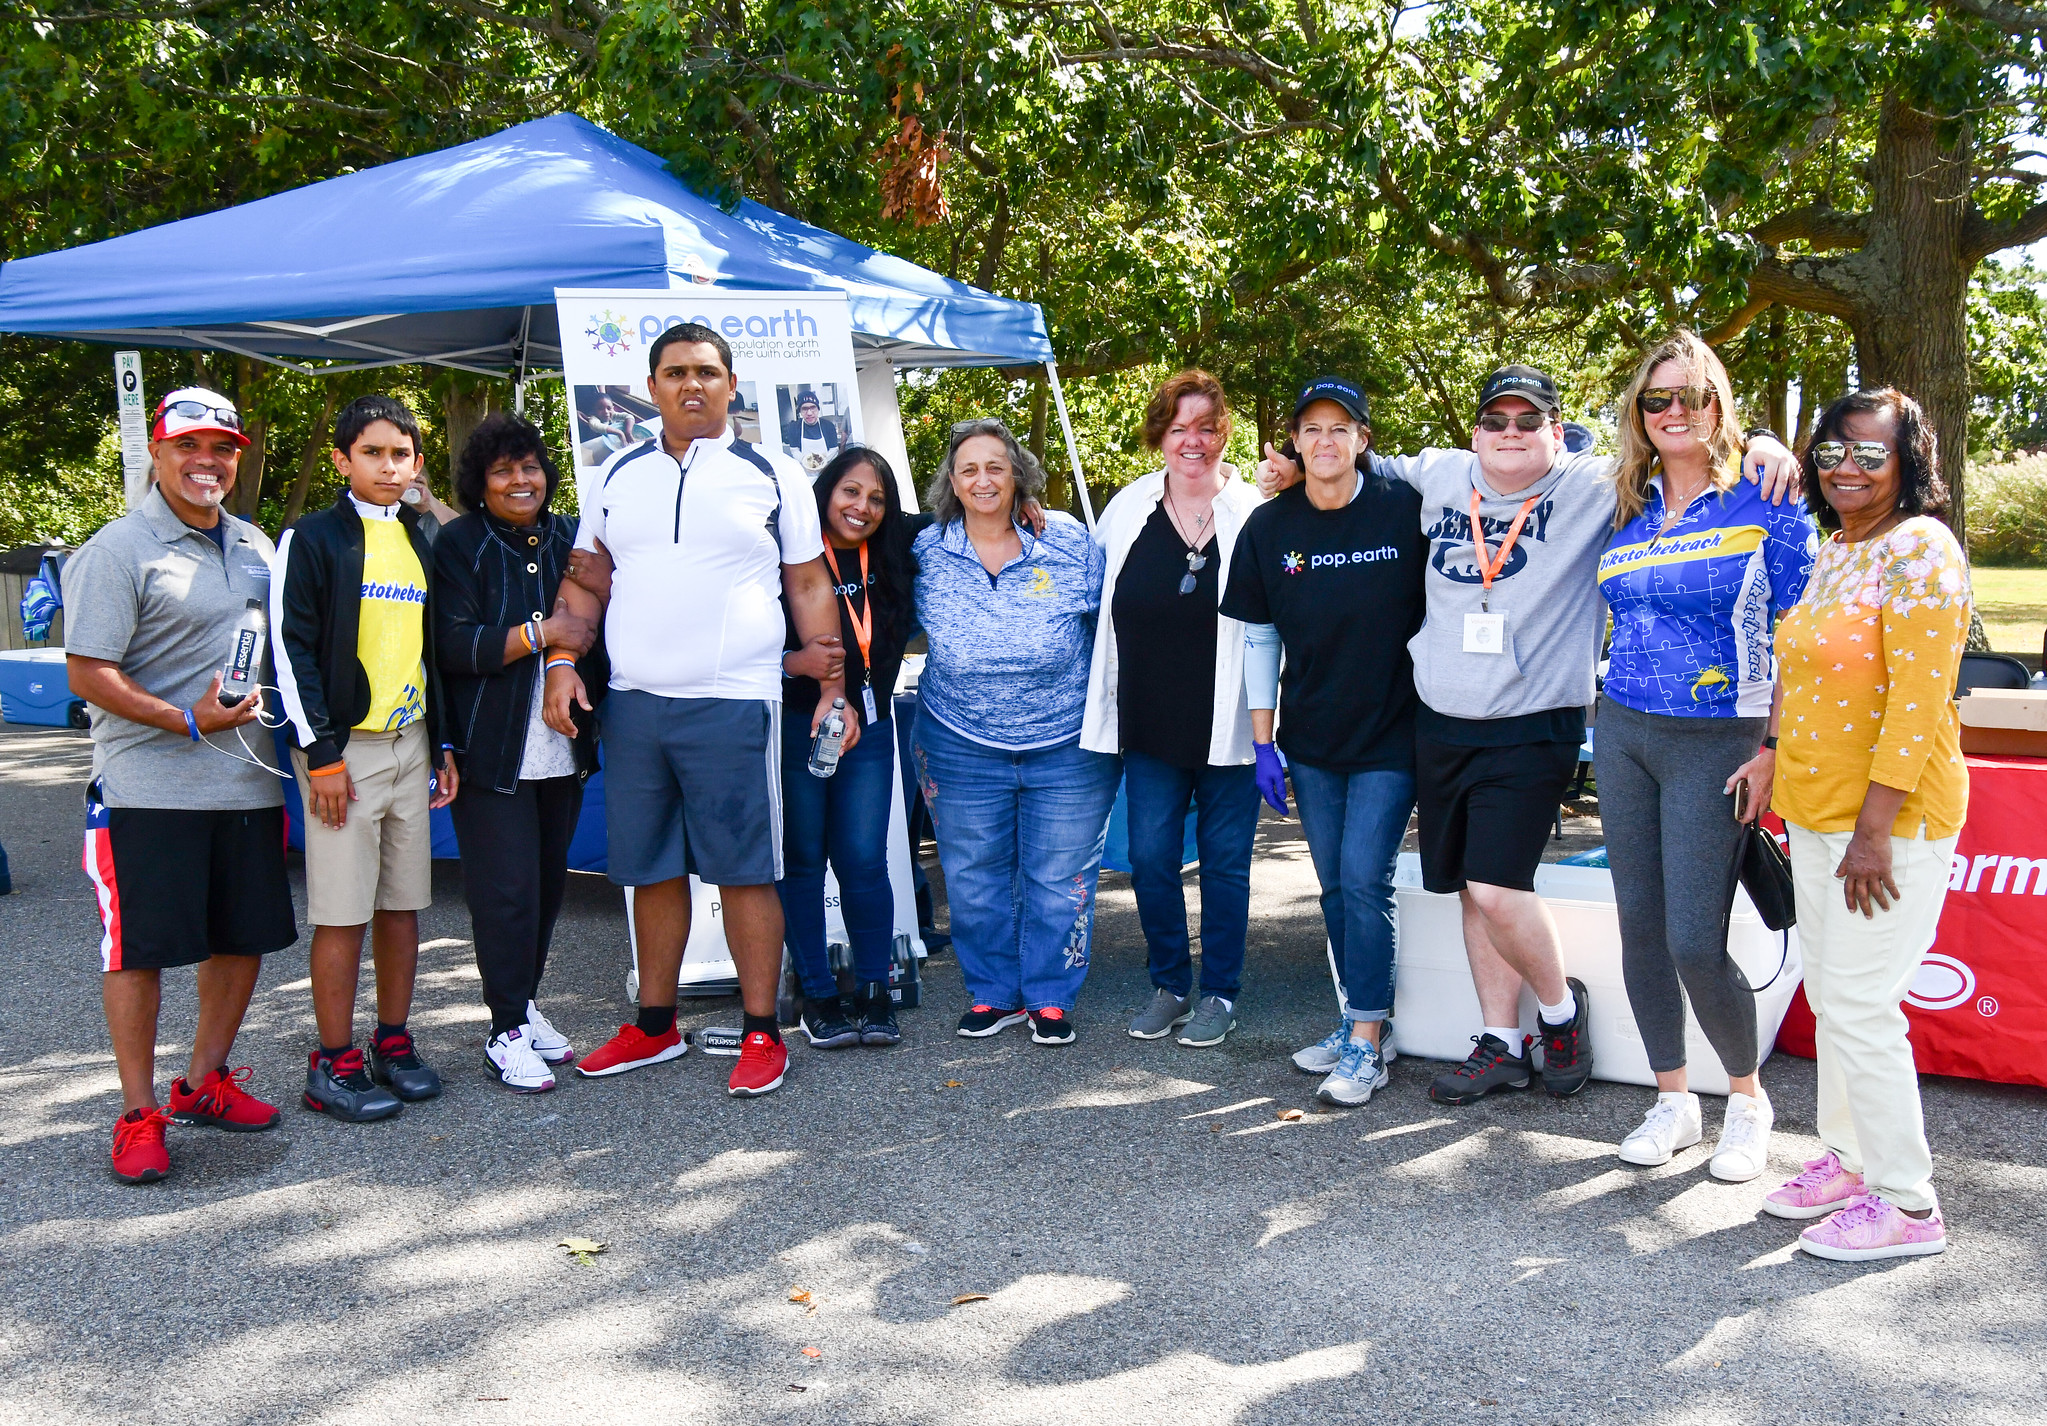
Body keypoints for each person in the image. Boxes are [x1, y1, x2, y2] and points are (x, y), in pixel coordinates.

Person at [1261, 363, 1798, 1105]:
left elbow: (1690, 449)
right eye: (1495, 421)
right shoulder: (1441, 473)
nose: (1509, 434)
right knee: (1468, 895)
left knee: (1496, 886)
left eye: (1527, 421)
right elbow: (1348, 457)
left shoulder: (1595, 484)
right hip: (1441, 721)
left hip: (1532, 722)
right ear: (1474, 432)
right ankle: (1499, 1042)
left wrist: (1765, 441)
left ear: (1555, 430)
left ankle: (1558, 1012)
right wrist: (1293, 464)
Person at [546, 322, 851, 1097]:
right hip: (636, 705)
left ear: (731, 385)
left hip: (734, 702)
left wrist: (831, 684)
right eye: (676, 372)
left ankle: (759, 1031)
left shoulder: (772, 471)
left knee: (746, 872)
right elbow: (586, 580)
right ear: (650, 388)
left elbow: (809, 583)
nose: (692, 385)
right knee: (649, 869)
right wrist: (559, 662)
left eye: (708, 373)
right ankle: (654, 1026)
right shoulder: (615, 473)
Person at [1731, 388, 1969, 1262]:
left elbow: (1916, 702)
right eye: (1833, 449)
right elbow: (1800, 667)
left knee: (1864, 1007)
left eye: (1870, 454)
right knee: (1833, 1001)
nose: (1847, 467)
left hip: (1889, 825)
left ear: (1908, 461)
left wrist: (1874, 830)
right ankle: (1848, 1161)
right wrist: (1768, 752)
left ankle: (1908, 1209)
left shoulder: (1920, 550)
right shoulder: (1835, 548)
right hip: (1818, 809)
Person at [1595, 332, 1816, 1180]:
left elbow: (1797, 638)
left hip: (1721, 738)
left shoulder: (1766, 500)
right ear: (1639, 416)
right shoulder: (1625, 504)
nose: (1674, 412)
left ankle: (1748, 1099)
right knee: (1640, 931)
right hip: (1622, 732)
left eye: (1692, 396)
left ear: (1719, 406)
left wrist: (1772, 747)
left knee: (1694, 937)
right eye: (1658, 400)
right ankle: (1672, 1098)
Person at [65, 388, 298, 1182]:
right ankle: (137, 1115)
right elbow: (88, 671)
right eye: (190, 446)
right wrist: (184, 720)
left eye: (224, 448)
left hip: (246, 788)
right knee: (141, 955)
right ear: (157, 454)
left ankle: (203, 1083)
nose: (209, 461)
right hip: (146, 789)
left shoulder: (258, 547)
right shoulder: (117, 550)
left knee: (240, 941)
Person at [1218, 377, 1428, 1103]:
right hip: (1309, 740)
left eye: (1341, 428)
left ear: (1364, 440)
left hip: (1393, 733)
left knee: (1365, 882)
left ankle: (1366, 1041)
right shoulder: (1270, 529)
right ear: (1294, 444)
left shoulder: (1405, 508)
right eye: (1310, 429)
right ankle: (1364, 1021)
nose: (1325, 441)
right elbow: (1259, 636)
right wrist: (1263, 741)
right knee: (1335, 886)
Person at [273, 395, 459, 1122]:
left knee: (404, 905)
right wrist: (319, 751)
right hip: (341, 750)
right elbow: (293, 648)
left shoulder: (420, 536)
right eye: (374, 452)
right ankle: (333, 1060)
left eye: (402, 454)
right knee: (343, 913)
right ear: (342, 459)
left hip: (412, 744)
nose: (389, 466)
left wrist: (441, 741)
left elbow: (430, 649)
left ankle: (392, 1040)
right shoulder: (312, 537)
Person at [912, 418, 1120, 1046]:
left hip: (1067, 743)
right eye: (969, 468)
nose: (983, 480)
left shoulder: (1066, 541)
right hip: (959, 740)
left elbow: (1116, 620)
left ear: (1018, 476)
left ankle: (1051, 996)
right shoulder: (925, 549)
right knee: (974, 877)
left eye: (996, 467)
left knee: (1060, 879)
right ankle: (993, 994)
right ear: (952, 480)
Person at [1082, 370, 1267, 1049]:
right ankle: (1169, 983)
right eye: (1179, 426)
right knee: (1152, 859)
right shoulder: (1126, 509)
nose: (1194, 440)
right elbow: (1084, 590)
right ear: (1159, 434)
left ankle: (1219, 993)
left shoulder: (1252, 510)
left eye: (1208, 427)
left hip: (1233, 723)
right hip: (1149, 722)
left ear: (1225, 436)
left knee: (1225, 864)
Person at [433, 412, 605, 1092]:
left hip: (563, 751)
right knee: (502, 896)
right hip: (492, 751)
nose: (519, 480)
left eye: (528, 466)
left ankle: (523, 1008)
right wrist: (541, 634)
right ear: (479, 483)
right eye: (502, 470)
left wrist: (571, 635)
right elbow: (452, 645)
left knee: (542, 892)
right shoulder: (458, 544)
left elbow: (596, 619)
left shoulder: (570, 536)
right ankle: (503, 1030)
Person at [777, 446, 919, 1049]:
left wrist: (1025, 499)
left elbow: (970, 506)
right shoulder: (782, 550)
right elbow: (738, 645)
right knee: (803, 861)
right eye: (850, 492)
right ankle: (818, 995)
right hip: (795, 723)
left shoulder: (895, 552)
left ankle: (874, 991)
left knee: (863, 860)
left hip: (870, 724)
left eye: (877, 498)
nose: (862, 507)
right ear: (825, 492)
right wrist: (795, 664)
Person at [782, 390, 843, 472]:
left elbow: (834, 449)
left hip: (826, 471)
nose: (809, 413)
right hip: (804, 473)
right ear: (800, 411)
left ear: (818, 409)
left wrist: (822, 461)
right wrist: (806, 462)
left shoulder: (828, 426)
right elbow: (794, 450)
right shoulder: (794, 427)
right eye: (805, 409)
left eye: (813, 407)